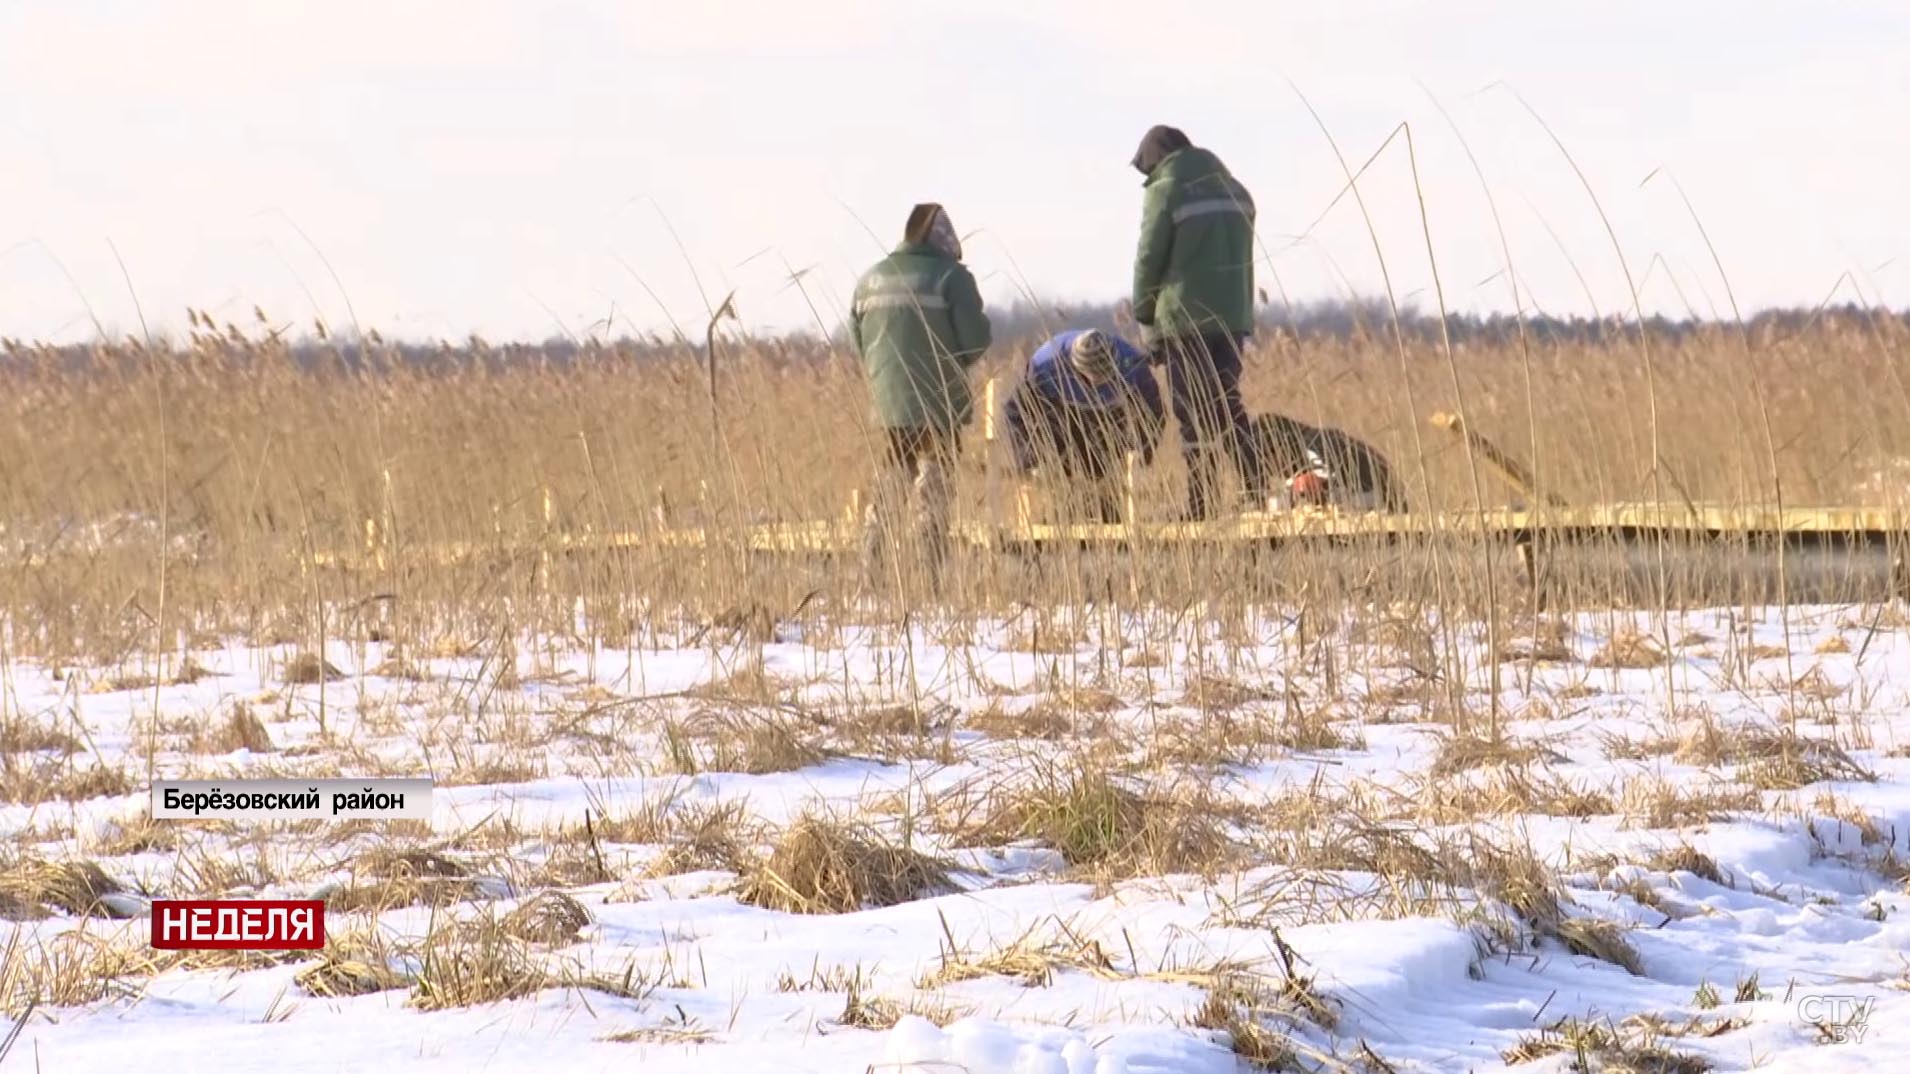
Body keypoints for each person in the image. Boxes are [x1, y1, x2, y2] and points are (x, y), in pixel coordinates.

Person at [1129, 124, 1269, 520]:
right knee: (1226, 401)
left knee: (1191, 412)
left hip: (1185, 317)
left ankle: (1201, 504)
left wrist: (1143, 312)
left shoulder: (1167, 189)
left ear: (1155, 160)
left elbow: (1148, 257)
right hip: (1233, 317)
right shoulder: (1236, 189)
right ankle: (1255, 489)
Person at [848, 202, 992, 580]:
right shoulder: (952, 278)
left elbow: (858, 341)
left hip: (888, 402)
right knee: (935, 480)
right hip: (939, 400)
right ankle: (928, 571)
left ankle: (872, 564)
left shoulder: (869, 279)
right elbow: (976, 341)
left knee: (894, 473)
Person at [1002, 329, 1165, 523]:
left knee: (1103, 473)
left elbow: (1154, 414)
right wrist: (1030, 460)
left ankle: (1108, 517)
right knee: (1059, 474)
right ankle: (1061, 517)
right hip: (1059, 415)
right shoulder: (1045, 366)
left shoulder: (1134, 366)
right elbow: (1015, 412)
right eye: (1090, 380)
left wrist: (1141, 454)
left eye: (1104, 378)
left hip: (1109, 419)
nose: (1096, 386)